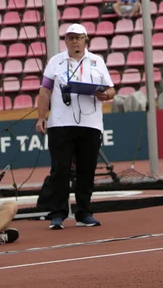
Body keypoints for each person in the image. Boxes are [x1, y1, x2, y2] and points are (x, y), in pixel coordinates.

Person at [36, 23, 116, 230]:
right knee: (60, 171)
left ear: (85, 40)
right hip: (60, 124)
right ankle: (58, 214)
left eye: (78, 37)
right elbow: (44, 91)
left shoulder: (97, 61)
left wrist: (105, 95)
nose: (74, 41)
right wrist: (41, 117)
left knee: (86, 171)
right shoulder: (55, 62)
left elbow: (111, 91)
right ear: (65, 41)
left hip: (91, 124)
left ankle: (84, 213)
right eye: (70, 38)